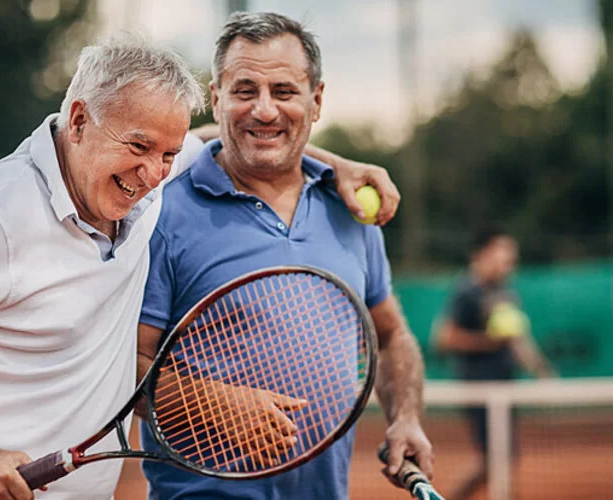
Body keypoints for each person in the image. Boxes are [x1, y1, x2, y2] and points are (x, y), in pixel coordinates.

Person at [0, 35, 400, 500]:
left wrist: (338, 164)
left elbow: (234, 137)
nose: (153, 173)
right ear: (79, 120)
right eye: (140, 147)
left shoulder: (139, 187)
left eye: (168, 154)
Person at [136, 12, 433, 500]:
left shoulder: (352, 209)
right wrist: (212, 405)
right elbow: (125, 363)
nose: (265, 110)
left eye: (285, 92)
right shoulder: (162, 211)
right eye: (245, 91)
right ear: (216, 99)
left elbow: (391, 334)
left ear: (316, 101)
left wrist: (407, 419)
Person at [434, 226, 554, 500]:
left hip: (504, 386)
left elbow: (517, 340)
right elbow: (445, 338)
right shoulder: (466, 290)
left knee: (502, 458)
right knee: (497, 458)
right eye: (503, 255)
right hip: (478, 387)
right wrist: (490, 341)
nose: (508, 263)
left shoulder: (505, 291)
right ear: (483, 254)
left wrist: (540, 370)